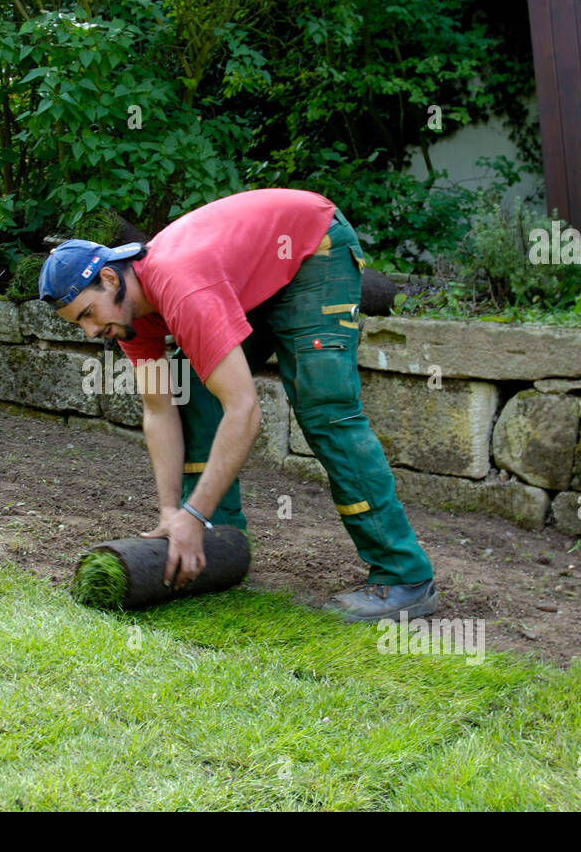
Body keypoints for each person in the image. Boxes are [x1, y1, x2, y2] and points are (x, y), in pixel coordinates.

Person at [38, 188, 437, 623]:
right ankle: (218, 545)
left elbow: (244, 411)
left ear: (111, 280)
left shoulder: (180, 287)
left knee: (324, 405)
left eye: (87, 315)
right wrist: (171, 511)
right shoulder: (131, 319)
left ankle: (404, 577)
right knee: (193, 389)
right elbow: (159, 409)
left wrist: (191, 512)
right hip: (250, 276)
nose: (91, 331)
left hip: (312, 249)